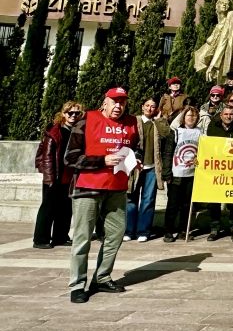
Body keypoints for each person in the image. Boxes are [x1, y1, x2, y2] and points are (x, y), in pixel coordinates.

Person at [65, 87, 142, 304]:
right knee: (82, 238)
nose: (119, 106)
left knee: (115, 235)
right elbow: (70, 158)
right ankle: (78, 285)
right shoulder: (86, 120)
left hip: (117, 188)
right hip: (87, 188)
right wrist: (102, 161)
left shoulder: (131, 123)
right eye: (114, 102)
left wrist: (135, 160)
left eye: (122, 102)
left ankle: (102, 277)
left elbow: (134, 148)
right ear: (105, 102)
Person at [33, 101, 81, 249]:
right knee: (48, 207)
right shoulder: (55, 131)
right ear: (63, 114)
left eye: (76, 113)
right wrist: (49, 178)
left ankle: (60, 236)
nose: (73, 116)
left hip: (69, 176)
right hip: (55, 175)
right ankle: (40, 239)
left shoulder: (77, 131)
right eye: (70, 113)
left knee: (66, 208)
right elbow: (47, 157)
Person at [124, 98, 168, 243]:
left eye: (153, 106)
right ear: (142, 107)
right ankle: (129, 230)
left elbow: (166, 134)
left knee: (148, 199)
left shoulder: (158, 123)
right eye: (147, 106)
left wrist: (160, 119)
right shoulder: (134, 121)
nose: (150, 109)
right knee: (131, 197)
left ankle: (143, 231)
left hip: (152, 167)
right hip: (135, 166)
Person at [205, 105, 233, 242]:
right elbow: (207, 148)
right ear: (221, 115)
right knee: (214, 202)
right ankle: (214, 228)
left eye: (231, 114)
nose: (228, 116)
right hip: (216, 171)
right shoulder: (213, 129)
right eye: (226, 114)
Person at [162, 106, 202, 243]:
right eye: (188, 115)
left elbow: (204, 152)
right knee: (173, 204)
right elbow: (167, 153)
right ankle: (168, 231)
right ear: (183, 117)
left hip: (192, 174)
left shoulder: (200, 133)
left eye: (194, 116)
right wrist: (167, 173)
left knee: (187, 205)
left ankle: (183, 230)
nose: (191, 118)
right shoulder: (176, 133)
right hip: (176, 174)